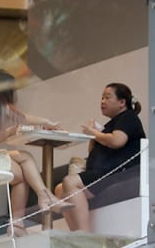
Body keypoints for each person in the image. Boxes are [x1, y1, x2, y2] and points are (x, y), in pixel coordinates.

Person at [0, 69, 72, 235]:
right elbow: (21, 118)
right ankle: (37, 205)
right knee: (22, 170)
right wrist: (48, 122)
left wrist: (13, 130)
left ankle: (38, 202)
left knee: (24, 159)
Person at [55, 82, 146, 232]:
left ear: (122, 102)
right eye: (102, 98)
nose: (102, 101)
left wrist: (94, 133)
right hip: (103, 172)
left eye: (107, 97)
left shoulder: (129, 117)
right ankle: (75, 232)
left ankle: (84, 233)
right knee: (59, 189)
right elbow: (93, 152)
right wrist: (96, 135)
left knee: (70, 181)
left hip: (119, 173)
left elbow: (117, 141)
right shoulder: (111, 125)